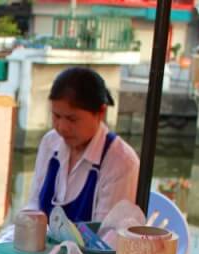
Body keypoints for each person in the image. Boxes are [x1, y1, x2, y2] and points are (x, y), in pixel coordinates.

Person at [25, 67, 139, 225]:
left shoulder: (121, 162)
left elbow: (107, 236)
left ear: (100, 113)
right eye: (56, 116)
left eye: (72, 119)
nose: (62, 127)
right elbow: (33, 206)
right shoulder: (50, 143)